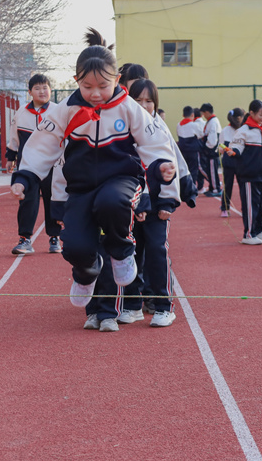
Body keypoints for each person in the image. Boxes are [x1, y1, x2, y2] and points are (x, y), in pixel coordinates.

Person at [10, 28, 178, 313]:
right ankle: (86, 271)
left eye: (103, 86)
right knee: (73, 245)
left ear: (116, 80)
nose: (96, 93)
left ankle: (123, 251)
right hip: (81, 188)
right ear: (77, 82)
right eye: (87, 87)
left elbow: (153, 139)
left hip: (123, 180)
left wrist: (163, 164)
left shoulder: (128, 107)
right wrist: (25, 177)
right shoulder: (66, 109)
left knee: (112, 202)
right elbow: (43, 143)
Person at [117, 78, 180, 328]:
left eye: (149, 101)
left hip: (156, 205)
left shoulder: (159, 129)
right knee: (130, 253)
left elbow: (171, 164)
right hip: (130, 204)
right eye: (138, 100)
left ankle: (164, 306)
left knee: (156, 251)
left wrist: (167, 201)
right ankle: (132, 305)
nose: (143, 106)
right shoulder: (122, 131)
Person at [6, 74, 62, 255]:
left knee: (53, 198)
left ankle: (55, 237)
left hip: (53, 164)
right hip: (28, 165)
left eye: (45, 87)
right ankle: (25, 239)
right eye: (37, 88)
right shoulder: (21, 112)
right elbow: (14, 137)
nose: (42, 91)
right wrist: (11, 157)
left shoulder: (58, 111)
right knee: (27, 200)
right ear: (30, 92)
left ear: (50, 90)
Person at [230, 99, 262, 244]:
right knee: (250, 205)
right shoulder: (243, 131)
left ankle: (259, 232)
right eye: (260, 115)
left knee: (261, 206)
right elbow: (236, 147)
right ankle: (248, 234)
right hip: (248, 175)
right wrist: (233, 151)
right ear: (251, 113)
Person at [220, 108, 245, 217]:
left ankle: (228, 209)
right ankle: (227, 208)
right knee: (233, 186)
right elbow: (221, 147)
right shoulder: (227, 130)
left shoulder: (243, 129)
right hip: (234, 162)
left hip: (236, 161)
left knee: (236, 186)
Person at [199, 103, 223, 198]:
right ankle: (212, 187)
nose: (204, 115)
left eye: (204, 113)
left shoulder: (213, 122)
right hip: (210, 150)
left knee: (212, 171)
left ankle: (216, 189)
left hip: (212, 151)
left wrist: (207, 148)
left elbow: (213, 139)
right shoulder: (211, 121)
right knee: (210, 170)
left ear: (208, 112)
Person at [176, 106, 203, 190]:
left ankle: (184, 188)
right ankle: (193, 188)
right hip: (193, 151)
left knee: (184, 170)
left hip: (182, 150)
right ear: (192, 115)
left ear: (183, 115)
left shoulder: (178, 125)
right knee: (193, 170)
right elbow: (201, 135)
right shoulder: (194, 125)